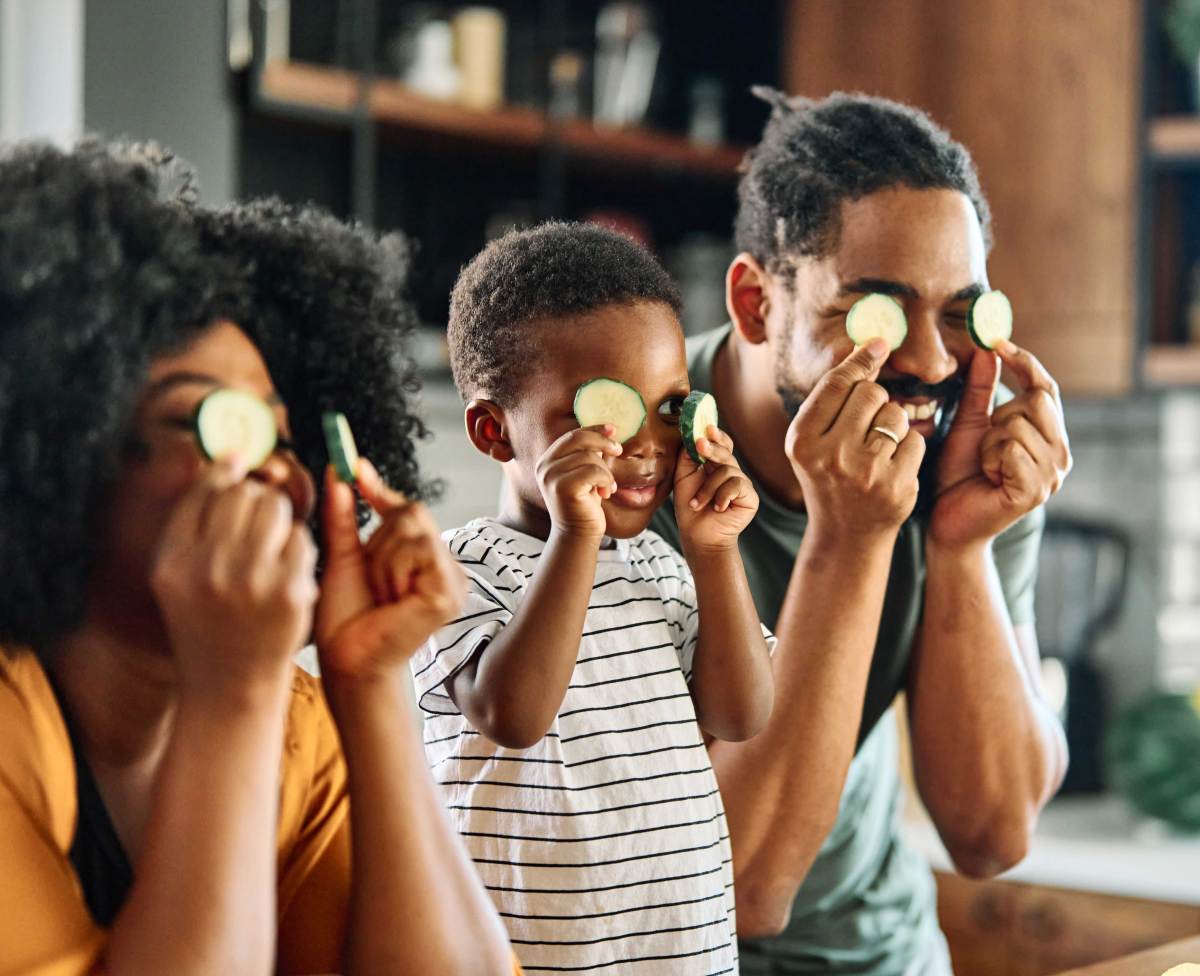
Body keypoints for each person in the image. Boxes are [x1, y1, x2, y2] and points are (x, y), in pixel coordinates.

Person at [0, 139, 514, 975]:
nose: (279, 469)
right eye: (206, 423)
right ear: (53, 454)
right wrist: (231, 695)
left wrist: (371, 683)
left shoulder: (297, 727)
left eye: (279, 432)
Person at [649, 90, 1073, 974]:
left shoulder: (965, 449)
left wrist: (961, 546)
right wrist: (849, 536)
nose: (927, 359)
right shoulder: (633, 468)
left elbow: (993, 836)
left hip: (885, 956)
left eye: (961, 313)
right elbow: (740, 888)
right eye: (875, 309)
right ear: (756, 303)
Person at [411, 221, 775, 973]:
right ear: (492, 430)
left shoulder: (663, 568)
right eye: (604, 413)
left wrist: (713, 552)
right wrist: (576, 534)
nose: (646, 445)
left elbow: (743, 714)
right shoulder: (454, 574)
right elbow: (512, 714)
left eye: (669, 407)